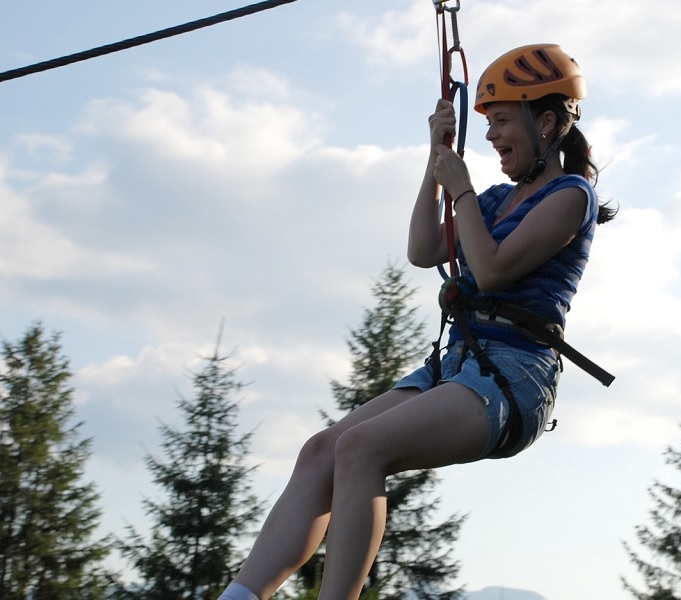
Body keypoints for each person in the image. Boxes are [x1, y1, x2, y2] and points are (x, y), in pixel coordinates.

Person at [218, 43, 615, 600]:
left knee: (362, 448)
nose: (492, 135)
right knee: (322, 451)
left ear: (546, 123)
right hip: (460, 365)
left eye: (502, 121)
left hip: (515, 375)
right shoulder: (495, 200)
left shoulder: (572, 197)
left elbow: (492, 271)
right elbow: (423, 249)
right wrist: (436, 163)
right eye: (489, 123)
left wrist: (461, 188)